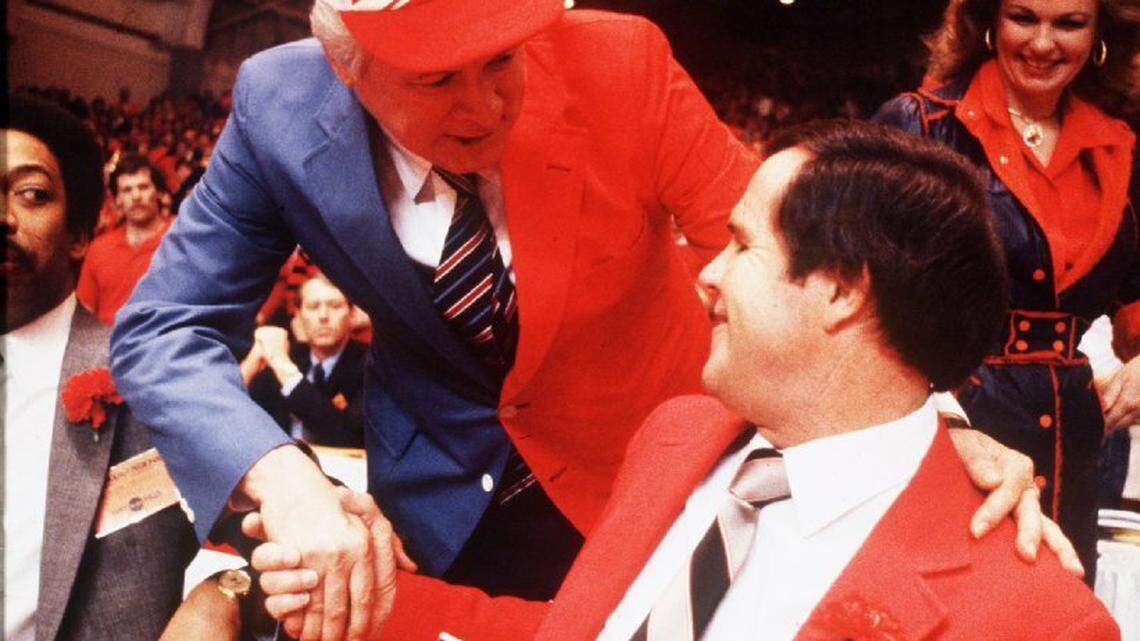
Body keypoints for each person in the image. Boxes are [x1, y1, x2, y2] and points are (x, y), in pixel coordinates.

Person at [111, 1, 1056, 638]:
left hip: (641, 471)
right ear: (349, 69)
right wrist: (283, 477)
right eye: (438, 78)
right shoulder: (280, 106)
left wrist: (922, 428)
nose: (485, 105)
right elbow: (164, 326)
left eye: (501, 61)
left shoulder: (621, 61)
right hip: (436, 490)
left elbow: (791, 260)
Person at [254, 121, 1116, 641]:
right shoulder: (679, 438)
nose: (708, 274)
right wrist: (366, 591)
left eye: (742, 245)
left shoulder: (1034, 615)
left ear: (843, 291)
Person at [875, 0, 1140, 579]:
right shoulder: (918, 124)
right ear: (987, 22)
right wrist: (945, 418)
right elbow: (859, 298)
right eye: (1025, 17)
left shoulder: (1120, 144)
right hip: (948, 435)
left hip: (1077, 446)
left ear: (1100, 35)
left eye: (1069, 23)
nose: (1043, 43)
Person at [2, 93, 242, 641]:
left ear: (82, 234)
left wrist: (221, 598)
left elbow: (277, 523)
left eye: (31, 194)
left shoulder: (152, 378)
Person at [244, 274, 367, 447]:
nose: (323, 316)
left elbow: (348, 435)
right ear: (299, 315)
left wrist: (286, 370)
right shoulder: (289, 355)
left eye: (335, 306)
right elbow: (232, 415)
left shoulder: (371, 365)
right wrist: (253, 360)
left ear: (352, 314)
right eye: (313, 307)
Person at [76, 153, 171, 324]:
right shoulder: (99, 249)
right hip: (107, 347)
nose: (136, 196)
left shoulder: (180, 238)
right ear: (117, 200)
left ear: (158, 192)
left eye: (143, 187)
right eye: (127, 190)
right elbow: (84, 317)